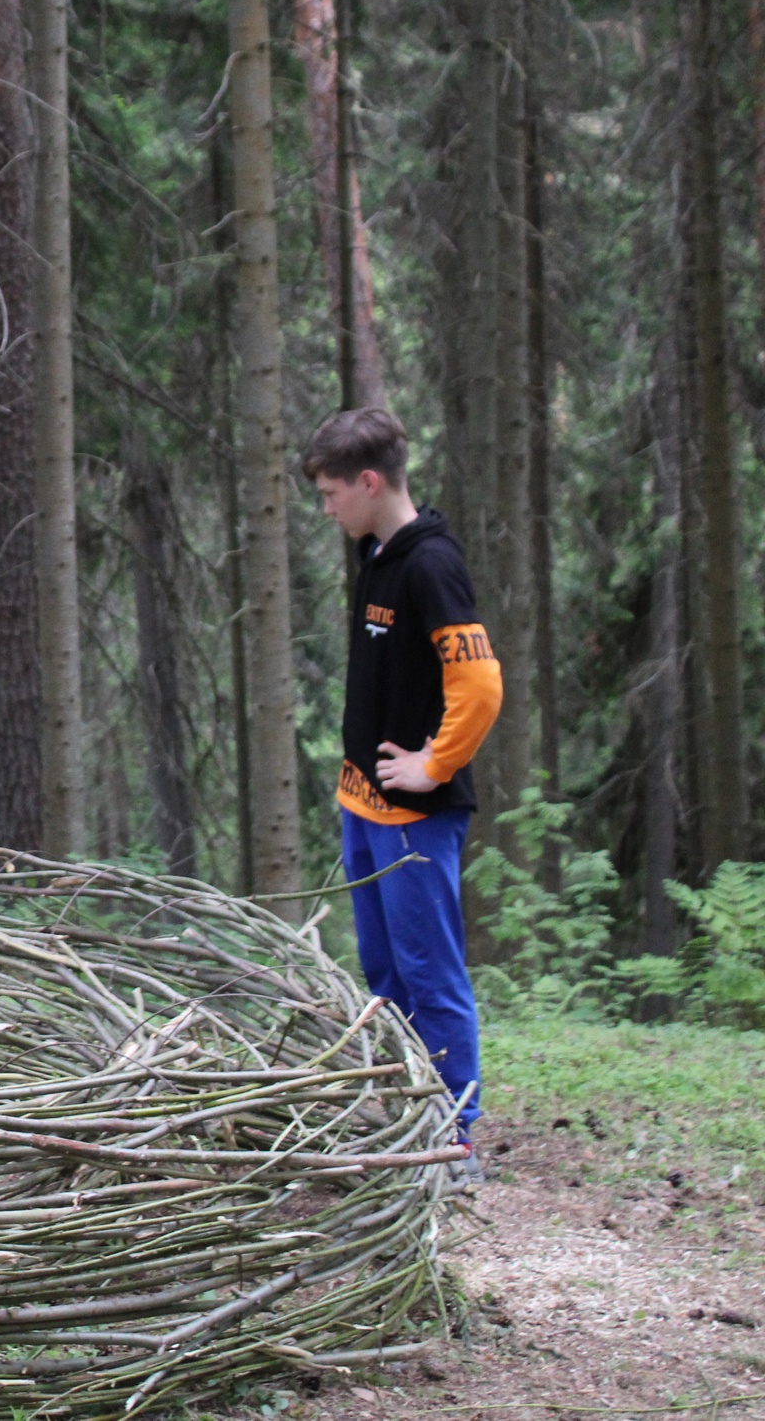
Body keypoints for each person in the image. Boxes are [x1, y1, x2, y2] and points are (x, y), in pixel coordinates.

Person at [306, 408, 501, 1163]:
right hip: (365, 805)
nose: (326, 508)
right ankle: (406, 1117)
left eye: (330, 492)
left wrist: (435, 762)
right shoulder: (374, 551)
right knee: (385, 973)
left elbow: (480, 683)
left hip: (415, 814)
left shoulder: (431, 563)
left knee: (430, 973)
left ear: (369, 480)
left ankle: (453, 1136)